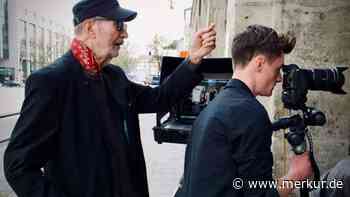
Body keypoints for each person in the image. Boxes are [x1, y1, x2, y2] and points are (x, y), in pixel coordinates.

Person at [3, 0, 216, 197]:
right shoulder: (52, 82)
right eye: (119, 25)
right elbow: (18, 166)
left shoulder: (114, 76)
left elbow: (159, 98)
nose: (125, 35)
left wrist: (194, 58)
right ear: (90, 28)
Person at [177, 25, 313, 197]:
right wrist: (295, 176)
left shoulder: (214, 106)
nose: (279, 78)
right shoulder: (250, 114)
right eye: (277, 69)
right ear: (260, 63)